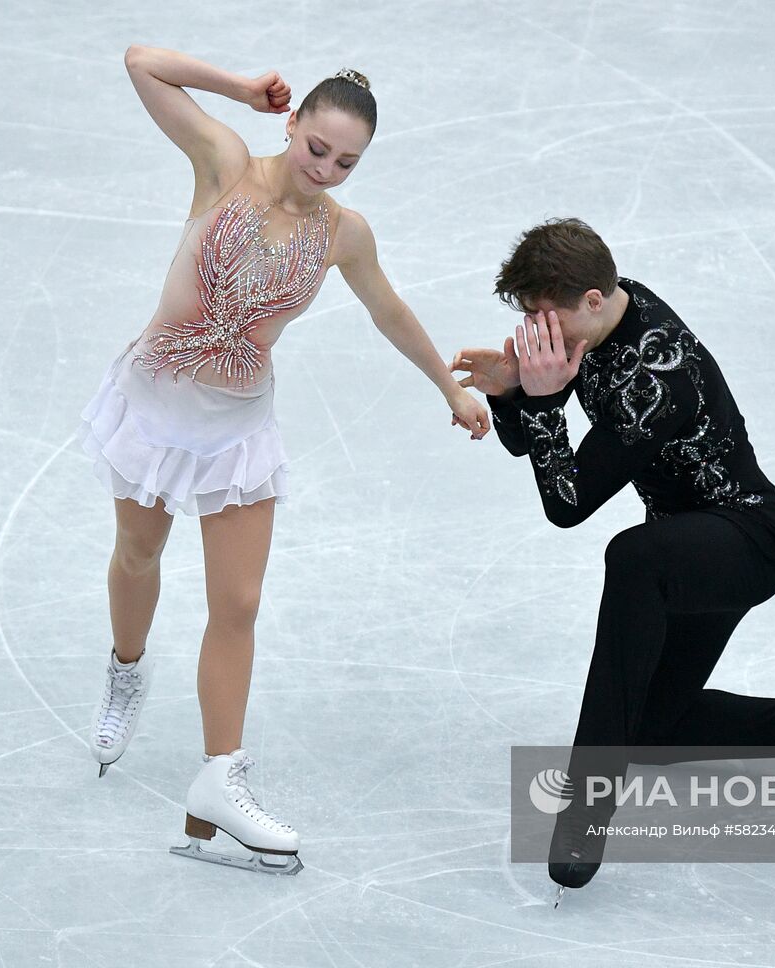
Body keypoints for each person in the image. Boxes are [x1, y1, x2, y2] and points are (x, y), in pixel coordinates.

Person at [451, 218, 775, 904]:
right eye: (529, 321)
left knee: (631, 558)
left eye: (547, 319)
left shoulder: (657, 375)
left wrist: (542, 399)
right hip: (684, 554)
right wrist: (513, 392)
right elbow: (535, 449)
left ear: (594, 299)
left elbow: (567, 503)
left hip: (744, 541)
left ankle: (587, 805)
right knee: (651, 728)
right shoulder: (602, 317)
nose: (539, 334)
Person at [76, 46, 489, 876]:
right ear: (292, 124)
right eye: (317, 148)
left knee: (239, 602)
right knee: (138, 555)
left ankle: (218, 780)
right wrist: (238, 88)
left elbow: (388, 310)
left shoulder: (343, 234)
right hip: (156, 409)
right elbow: (143, 64)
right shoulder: (224, 163)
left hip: (237, 432)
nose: (326, 169)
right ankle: (126, 669)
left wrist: (449, 387)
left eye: (346, 162)